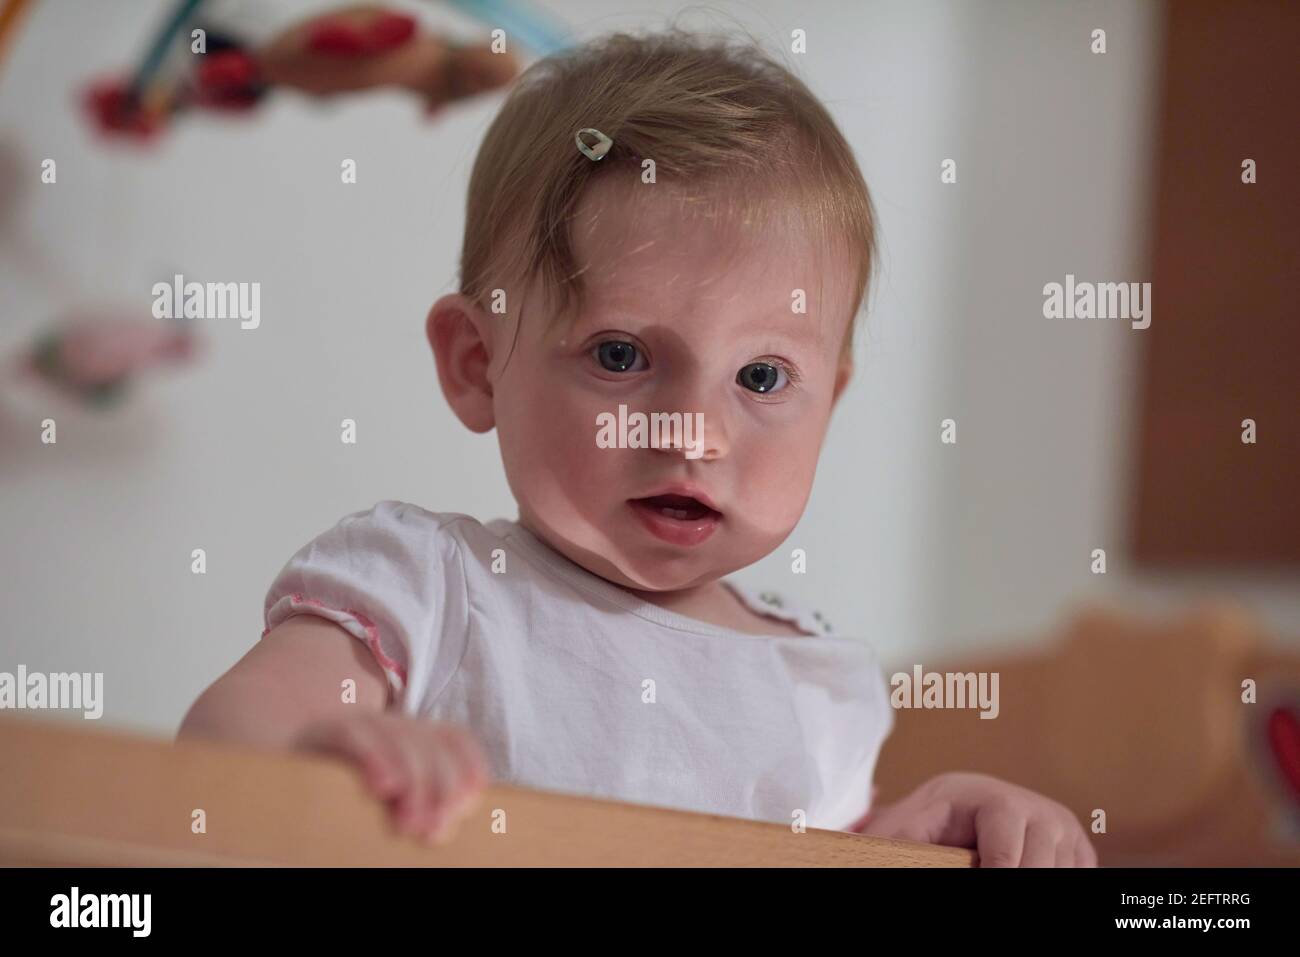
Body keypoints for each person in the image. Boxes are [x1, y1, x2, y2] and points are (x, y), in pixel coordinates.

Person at [179, 29, 1096, 867]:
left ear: (832, 400)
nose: (694, 432)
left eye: (764, 378)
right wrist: (311, 759)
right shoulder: (432, 587)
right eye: (621, 355)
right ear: (477, 363)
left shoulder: (814, 683)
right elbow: (225, 737)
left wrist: (916, 838)